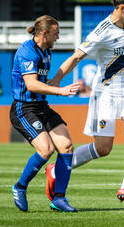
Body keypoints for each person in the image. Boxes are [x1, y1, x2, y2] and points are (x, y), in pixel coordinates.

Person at [45, 0, 124, 202]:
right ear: (121, 8)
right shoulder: (101, 32)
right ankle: (57, 167)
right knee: (103, 148)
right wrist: (55, 81)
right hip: (106, 94)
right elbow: (76, 57)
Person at [10, 15, 80, 213]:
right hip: (24, 109)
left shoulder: (46, 51)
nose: (58, 37)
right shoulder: (26, 52)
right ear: (44, 33)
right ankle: (20, 187)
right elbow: (31, 84)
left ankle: (59, 198)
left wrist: (52, 81)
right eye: (56, 33)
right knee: (46, 150)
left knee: (66, 146)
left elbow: (38, 80)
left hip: (41, 107)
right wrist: (60, 90)